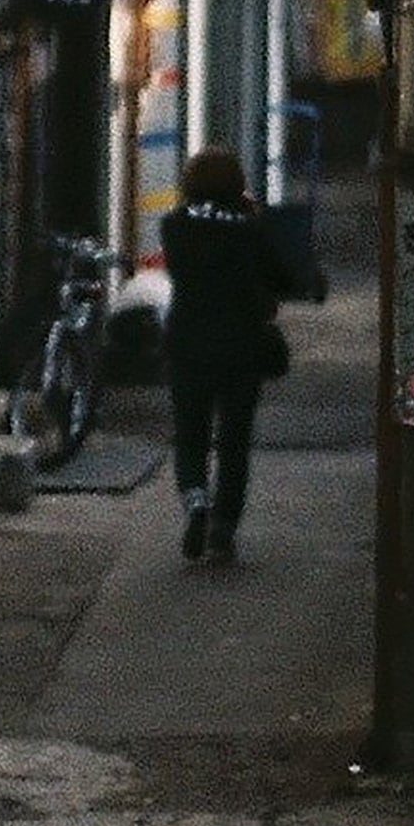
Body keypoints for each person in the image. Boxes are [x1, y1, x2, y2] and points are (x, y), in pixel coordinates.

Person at [159, 147, 298, 566]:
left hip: (187, 345)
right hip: (241, 346)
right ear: (237, 184)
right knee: (234, 442)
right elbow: (282, 278)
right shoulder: (252, 230)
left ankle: (197, 503)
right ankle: (223, 529)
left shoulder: (174, 226)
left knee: (191, 435)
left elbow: (181, 270)